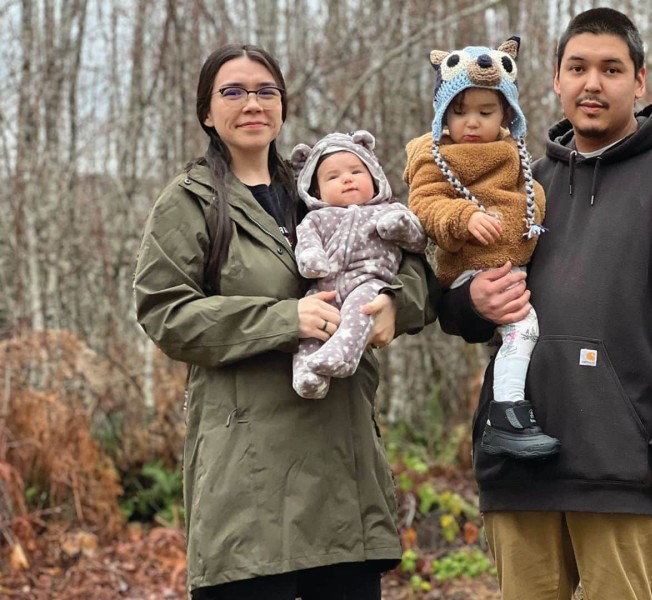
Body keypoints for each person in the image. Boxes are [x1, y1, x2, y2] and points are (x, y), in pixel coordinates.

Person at [438, 8, 652, 600]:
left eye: (611, 68)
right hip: (519, 461)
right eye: (577, 67)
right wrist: (470, 299)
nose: (592, 83)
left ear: (640, 81)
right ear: (555, 79)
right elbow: (459, 293)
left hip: (624, 464)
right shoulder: (524, 180)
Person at [133, 44, 437, 600]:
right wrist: (282, 319)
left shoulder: (318, 188)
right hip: (248, 485)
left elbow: (413, 263)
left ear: (282, 106)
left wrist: (396, 301)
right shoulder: (191, 200)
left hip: (341, 475)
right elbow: (164, 311)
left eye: (265, 91)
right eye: (233, 91)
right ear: (207, 110)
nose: (252, 103)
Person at [405, 36, 560, 460]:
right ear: (442, 115)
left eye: (485, 112)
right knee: (523, 328)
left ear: (507, 115)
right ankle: (506, 413)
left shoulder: (516, 154)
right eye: (459, 112)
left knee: (518, 336)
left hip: (513, 263)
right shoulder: (436, 156)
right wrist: (463, 218)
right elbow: (425, 204)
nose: (471, 123)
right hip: (475, 265)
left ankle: (515, 409)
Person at [291, 130, 427, 399]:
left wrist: (398, 227)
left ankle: (343, 354)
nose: (347, 179)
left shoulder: (387, 210)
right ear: (315, 190)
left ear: (375, 177)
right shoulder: (317, 218)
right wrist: (312, 259)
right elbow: (307, 242)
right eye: (333, 176)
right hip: (325, 287)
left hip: (370, 281)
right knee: (309, 325)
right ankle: (307, 374)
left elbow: (418, 240)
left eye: (356, 171)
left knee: (361, 309)